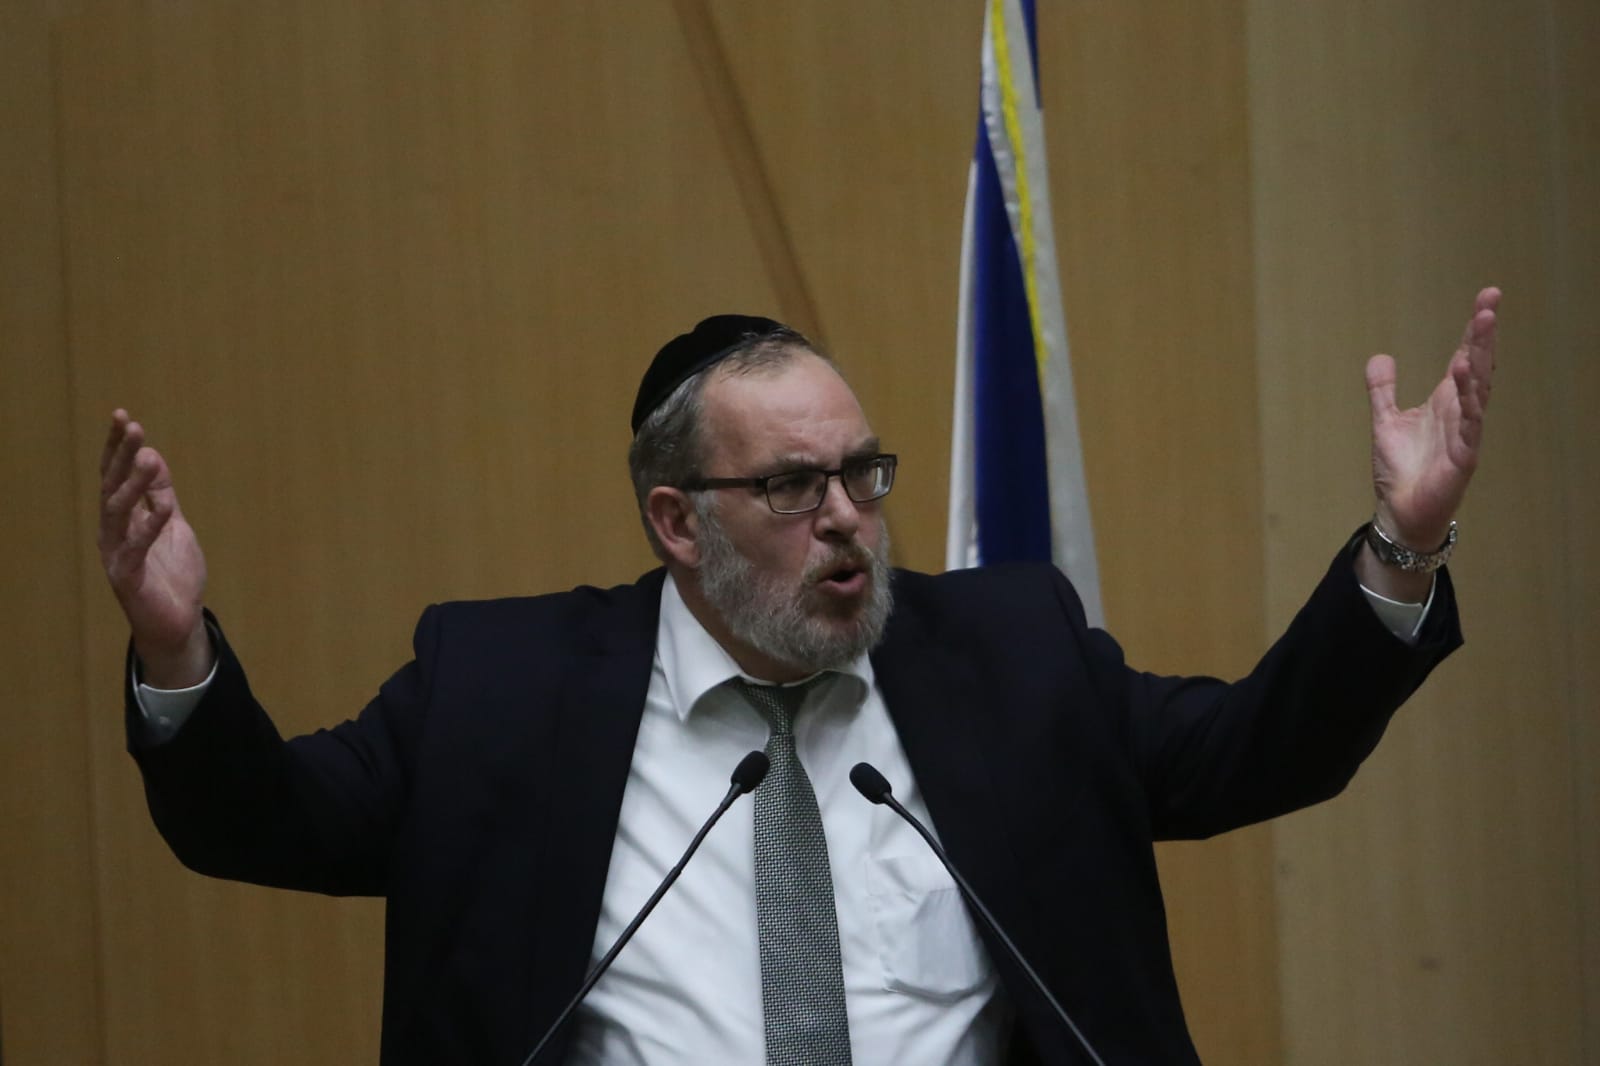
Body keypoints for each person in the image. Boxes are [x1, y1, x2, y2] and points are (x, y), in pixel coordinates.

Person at [100, 289, 1500, 1065]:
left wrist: (1404, 541)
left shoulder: (1008, 655)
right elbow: (266, 821)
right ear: (676, 521)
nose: (846, 518)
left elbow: (1260, 748)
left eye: (862, 473)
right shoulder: (501, 687)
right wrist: (176, 648)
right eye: (790, 484)